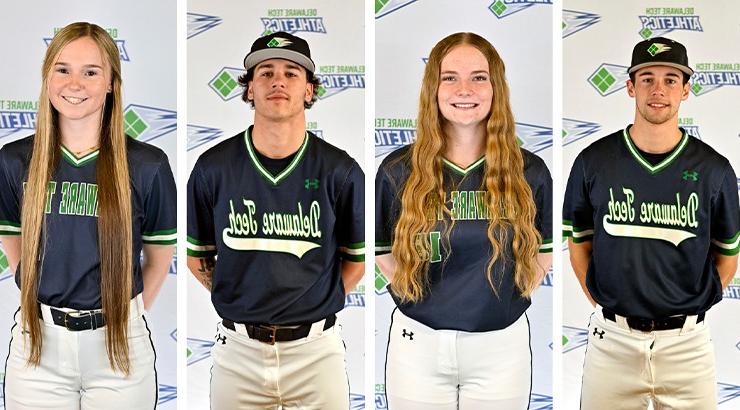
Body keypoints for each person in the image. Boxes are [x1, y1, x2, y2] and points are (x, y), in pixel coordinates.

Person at [0, 22, 176, 409]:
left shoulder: (147, 165)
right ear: (47, 77)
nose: (74, 83)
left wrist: (125, 314)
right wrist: (29, 280)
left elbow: (159, 257)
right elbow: (12, 236)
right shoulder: (14, 161)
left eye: (91, 72)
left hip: (119, 345)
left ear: (111, 82)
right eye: (62, 69)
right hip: (37, 343)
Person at [186, 31, 365, 409]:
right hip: (238, 351)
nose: (278, 81)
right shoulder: (213, 167)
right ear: (249, 89)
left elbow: (356, 260)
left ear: (309, 90)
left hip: (316, 352)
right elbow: (197, 256)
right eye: (265, 72)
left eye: (291, 73)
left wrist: (313, 302)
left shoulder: (340, 170)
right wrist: (240, 298)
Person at [375, 32, 553, 410]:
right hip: (417, 345)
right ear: (433, 89)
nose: (464, 89)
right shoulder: (396, 170)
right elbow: (383, 253)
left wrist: (501, 302)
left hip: (500, 345)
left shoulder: (530, 171)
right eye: (450, 77)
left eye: (479, 77)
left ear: (496, 88)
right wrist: (422, 303)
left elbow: (543, 255)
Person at [563, 37, 739, 409]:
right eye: (647, 79)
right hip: (612, 343)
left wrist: (688, 306)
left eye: (671, 79)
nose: (658, 90)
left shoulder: (714, 170)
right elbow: (579, 243)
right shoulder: (593, 162)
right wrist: (606, 305)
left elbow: (727, 256)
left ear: (686, 90)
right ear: (630, 87)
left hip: (687, 347)